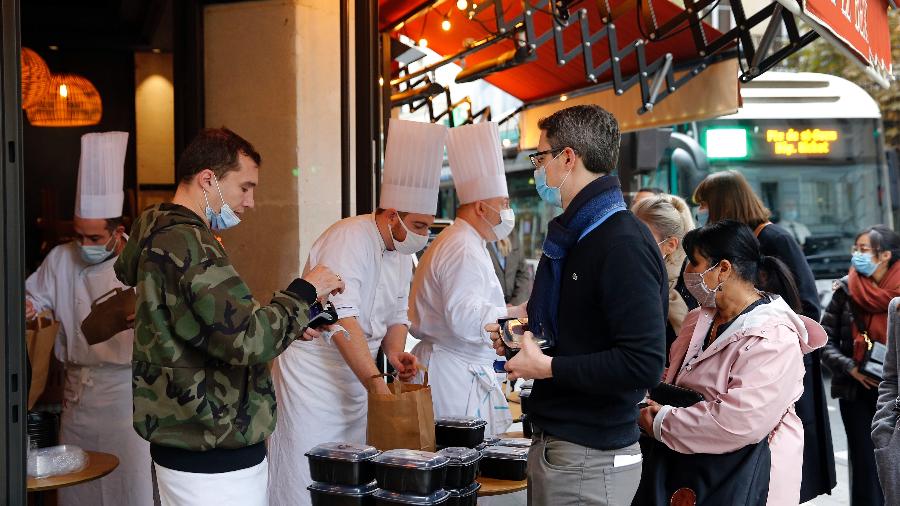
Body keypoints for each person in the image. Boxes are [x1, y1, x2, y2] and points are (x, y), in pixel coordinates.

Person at [114, 128, 344, 506]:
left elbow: (210, 322)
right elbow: (247, 338)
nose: (250, 201)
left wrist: (294, 316)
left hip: (188, 437)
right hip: (211, 445)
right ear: (208, 179)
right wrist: (305, 291)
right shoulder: (188, 243)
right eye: (245, 187)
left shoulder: (161, 231)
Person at [487, 105, 668, 505]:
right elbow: (578, 333)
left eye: (540, 157)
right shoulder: (578, 234)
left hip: (591, 454)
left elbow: (643, 362)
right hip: (563, 445)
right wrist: (524, 342)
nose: (539, 170)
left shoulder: (621, 242)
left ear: (568, 158)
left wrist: (548, 366)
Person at [267, 119, 446, 506]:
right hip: (313, 381)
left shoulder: (401, 253)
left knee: (351, 483)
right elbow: (342, 319)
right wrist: (376, 384)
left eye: (427, 227)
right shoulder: (349, 237)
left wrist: (395, 355)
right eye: (417, 225)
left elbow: (398, 312)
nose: (421, 235)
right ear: (392, 213)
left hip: (357, 377)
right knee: (307, 477)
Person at [638, 220, 827, 504]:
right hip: (686, 468)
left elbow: (740, 421)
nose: (687, 272)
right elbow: (675, 376)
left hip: (745, 477)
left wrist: (660, 421)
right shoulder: (699, 318)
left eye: (695, 261)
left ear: (723, 269)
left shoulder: (773, 336)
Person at [25, 132, 154, 506]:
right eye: (78, 236)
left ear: (117, 230)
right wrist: (31, 307)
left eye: (94, 237)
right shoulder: (60, 259)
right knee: (75, 485)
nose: (84, 245)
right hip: (76, 396)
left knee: (127, 486)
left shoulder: (142, 262)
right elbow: (33, 296)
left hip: (125, 396)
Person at [692, 170, 836, 501]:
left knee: (781, 466)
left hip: (778, 367)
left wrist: (761, 322)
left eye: (704, 204)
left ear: (721, 203)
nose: (701, 212)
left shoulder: (775, 239)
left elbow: (809, 305)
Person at [410, 122, 522, 437]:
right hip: (454, 378)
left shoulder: (464, 240)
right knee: (457, 465)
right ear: (481, 207)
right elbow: (464, 317)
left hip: (452, 370)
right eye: (503, 203)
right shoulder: (462, 247)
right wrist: (512, 316)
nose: (507, 211)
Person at [821, 226, 900, 506]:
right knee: (865, 466)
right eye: (856, 248)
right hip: (857, 391)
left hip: (894, 392)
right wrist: (849, 367)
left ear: (886, 255)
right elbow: (823, 339)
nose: (857, 254)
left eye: (864, 249)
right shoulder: (845, 288)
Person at [631, 194, 697, 352]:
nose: (631, 243)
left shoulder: (694, 283)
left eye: (643, 238)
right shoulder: (625, 271)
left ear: (670, 245)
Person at [486, 235, 532, 306]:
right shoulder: (480, 236)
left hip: (513, 306)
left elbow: (523, 274)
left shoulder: (512, 234)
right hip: (489, 308)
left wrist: (514, 303)